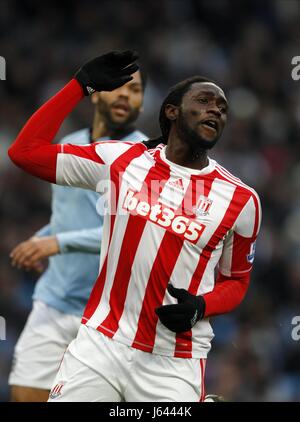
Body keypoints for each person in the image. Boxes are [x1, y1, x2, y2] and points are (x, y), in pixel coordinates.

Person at [8, 50, 261, 402]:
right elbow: (25, 152)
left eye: (222, 107)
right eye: (204, 101)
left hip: (173, 362)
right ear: (172, 111)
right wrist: (79, 86)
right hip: (100, 344)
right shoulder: (121, 160)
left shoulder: (241, 199)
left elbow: (236, 281)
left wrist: (202, 306)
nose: (216, 109)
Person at [8, 51, 147, 402]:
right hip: (55, 301)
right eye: (119, 87)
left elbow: (137, 236)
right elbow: (66, 216)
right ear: (97, 91)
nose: (126, 96)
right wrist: (42, 240)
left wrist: (58, 243)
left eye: (136, 90)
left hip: (113, 316)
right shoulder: (69, 144)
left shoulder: (148, 159)